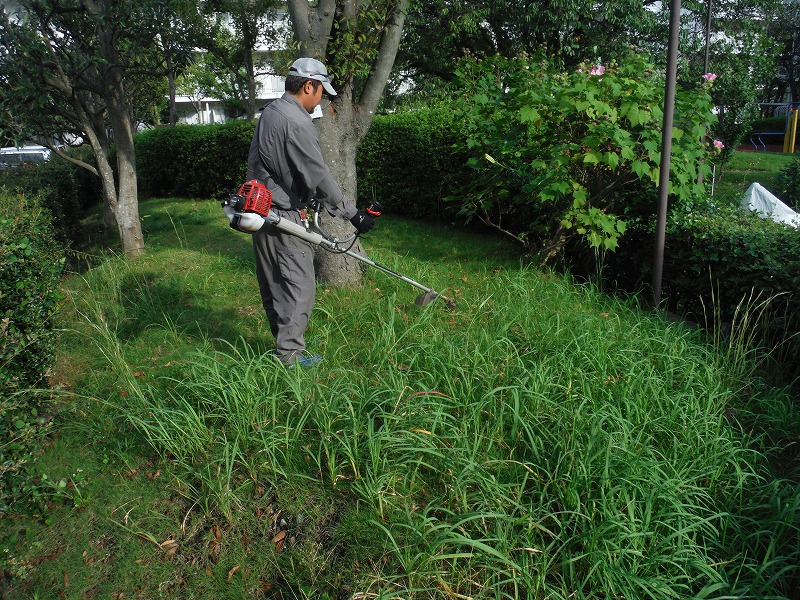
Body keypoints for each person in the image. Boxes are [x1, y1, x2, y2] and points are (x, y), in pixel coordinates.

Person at [245, 57, 376, 367]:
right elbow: (318, 176)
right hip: (282, 217)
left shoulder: (270, 114)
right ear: (308, 86)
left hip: (261, 210)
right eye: (321, 91)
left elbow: (263, 165)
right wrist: (352, 214)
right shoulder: (297, 122)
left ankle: (284, 348)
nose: (321, 98)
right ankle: (289, 359)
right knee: (299, 288)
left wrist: (300, 196)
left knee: (274, 284)